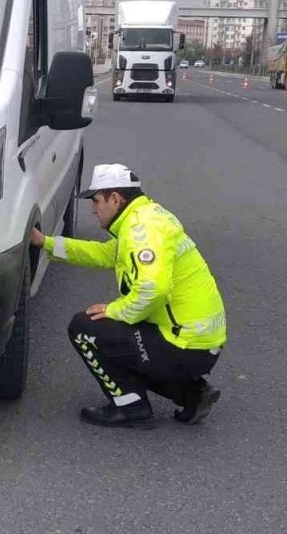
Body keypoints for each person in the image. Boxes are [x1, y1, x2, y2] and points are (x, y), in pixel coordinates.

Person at [30, 163, 227, 429]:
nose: (93, 209)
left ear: (115, 198)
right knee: (124, 337)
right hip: (198, 341)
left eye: (97, 201)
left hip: (184, 345)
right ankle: (193, 394)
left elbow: (151, 289)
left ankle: (131, 407)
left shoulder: (140, 232)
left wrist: (115, 311)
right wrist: (46, 242)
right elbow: (101, 254)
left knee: (85, 328)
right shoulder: (146, 218)